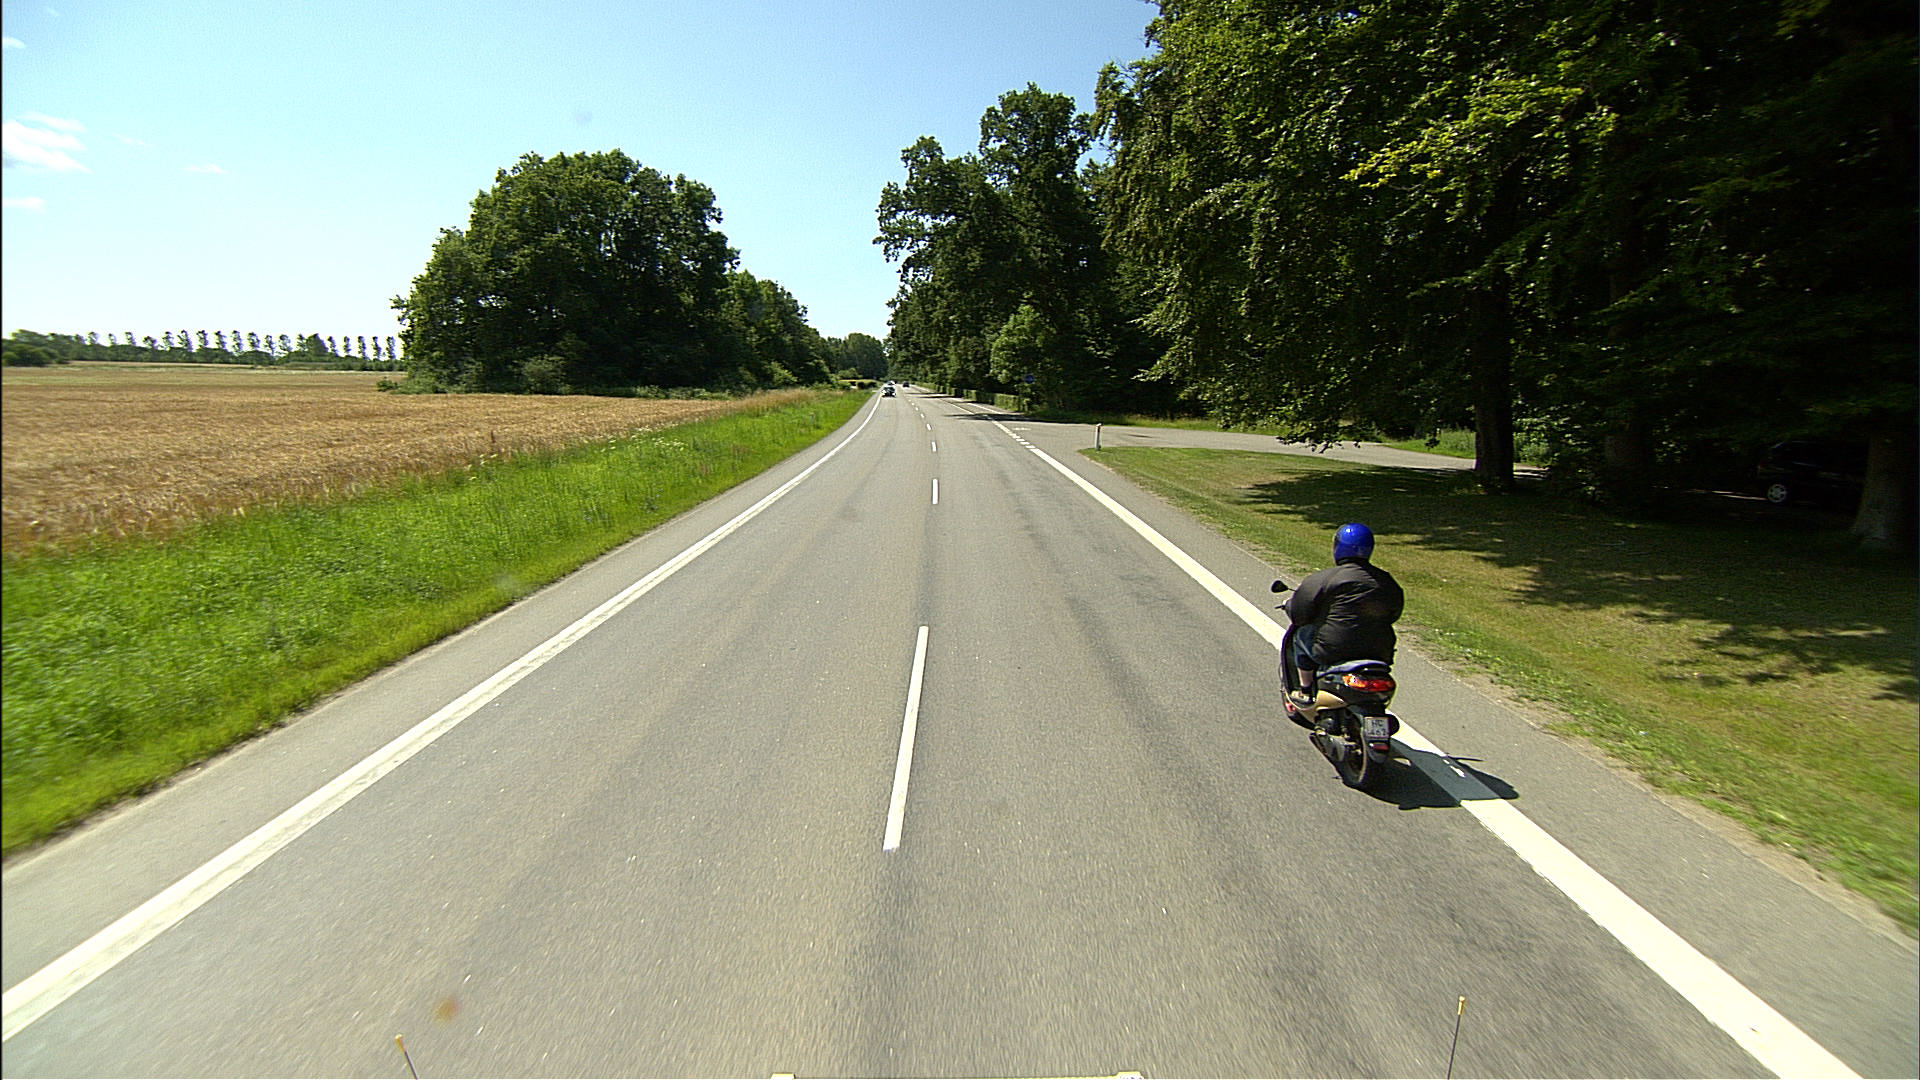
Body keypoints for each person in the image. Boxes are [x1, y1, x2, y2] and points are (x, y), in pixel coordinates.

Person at [1283, 522, 1404, 716]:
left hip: (1334, 649)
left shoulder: (1325, 578)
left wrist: (1289, 606)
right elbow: (1394, 613)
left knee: (1301, 636)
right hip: (1379, 650)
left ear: (1338, 547)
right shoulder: (1387, 581)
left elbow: (1299, 613)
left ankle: (1305, 689)